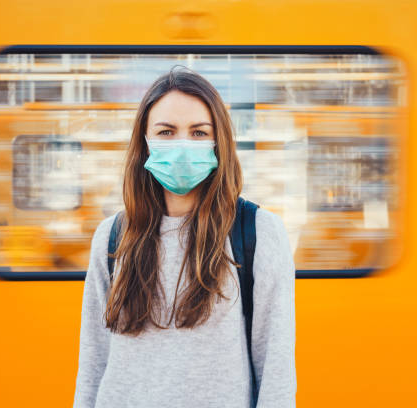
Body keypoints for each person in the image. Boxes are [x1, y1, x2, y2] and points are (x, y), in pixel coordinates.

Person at [73, 66, 296, 408]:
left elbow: (276, 374)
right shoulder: (112, 237)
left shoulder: (258, 233)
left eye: (198, 133)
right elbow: (93, 366)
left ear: (218, 141)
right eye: (165, 132)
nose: (182, 146)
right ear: (144, 144)